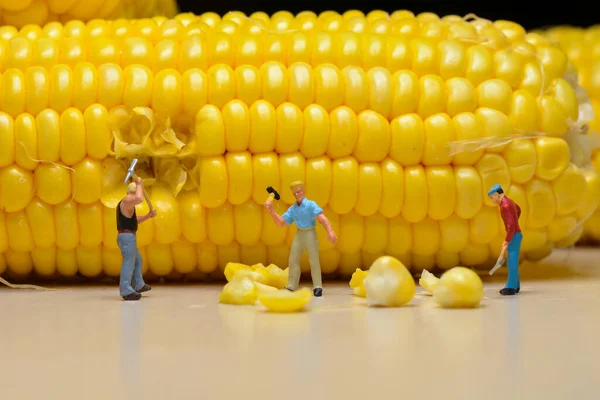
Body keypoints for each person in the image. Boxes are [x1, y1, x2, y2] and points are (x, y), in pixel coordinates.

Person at [265, 181, 337, 297]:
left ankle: (317, 286)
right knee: (293, 259)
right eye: (294, 193)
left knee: (314, 260)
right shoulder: (293, 209)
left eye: (299, 192)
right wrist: (272, 211)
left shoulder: (311, 205)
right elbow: (281, 223)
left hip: (310, 234)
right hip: (299, 234)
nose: (297, 195)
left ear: (303, 191)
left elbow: (322, 218)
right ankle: (291, 285)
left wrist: (330, 231)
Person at [117, 177, 157, 301]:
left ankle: (138, 284)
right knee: (129, 262)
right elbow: (139, 198)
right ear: (133, 192)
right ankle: (125, 290)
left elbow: (134, 220)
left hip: (129, 236)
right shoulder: (126, 201)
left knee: (137, 260)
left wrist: (148, 216)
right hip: (127, 237)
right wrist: (140, 184)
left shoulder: (128, 206)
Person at [488, 184, 523, 296]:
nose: (492, 200)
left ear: (496, 194)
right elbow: (518, 209)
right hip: (515, 233)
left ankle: (511, 287)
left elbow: (511, 224)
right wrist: (513, 223)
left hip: (513, 235)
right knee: (513, 260)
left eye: (491, 198)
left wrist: (507, 239)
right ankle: (516, 285)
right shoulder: (509, 201)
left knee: (511, 261)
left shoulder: (505, 206)